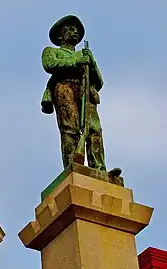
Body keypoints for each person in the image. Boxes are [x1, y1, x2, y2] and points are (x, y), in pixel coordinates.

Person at [41, 15, 105, 171]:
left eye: (77, 30)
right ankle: (72, 166)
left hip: (85, 90)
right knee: (71, 129)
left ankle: (99, 168)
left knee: (94, 129)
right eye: (70, 29)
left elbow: (99, 82)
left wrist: (92, 63)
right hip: (64, 87)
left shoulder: (84, 55)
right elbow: (50, 64)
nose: (75, 32)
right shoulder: (51, 51)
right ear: (60, 35)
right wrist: (76, 61)